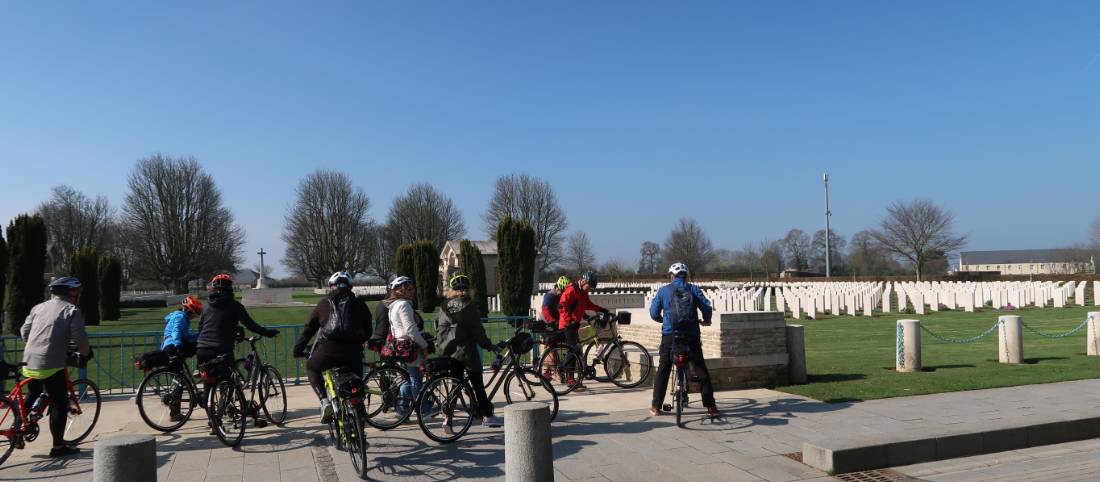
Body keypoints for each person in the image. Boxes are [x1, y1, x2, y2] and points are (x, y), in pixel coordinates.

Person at [196, 273, 279, 431]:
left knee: (208, 384)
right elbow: (251, 325)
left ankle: (212, 419)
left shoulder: (206, 306)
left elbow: (202, 327)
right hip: (222, 348)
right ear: (230, 288)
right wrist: (267, 333)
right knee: (230, 383)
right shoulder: (234, 305)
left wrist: (231, 329)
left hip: (202, 349)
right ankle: (220, 416)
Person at [19, 276, 91, 458]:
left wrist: (37, 345)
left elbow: (24, 332)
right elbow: (80, 338)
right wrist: (85, 353)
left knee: (33, 392)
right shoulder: (71, 310)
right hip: (51, 364)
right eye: (76, 291)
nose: (77, 295)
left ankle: (18, 428)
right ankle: (58, 448)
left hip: (29, 361)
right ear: (70, 293)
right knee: (59, 402)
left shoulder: (38, 307)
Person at [292, 271, 372, 423]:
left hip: (328, 351)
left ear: (331, 287)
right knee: (356, 384)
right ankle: (360, 411)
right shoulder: (360, 304)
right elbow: (368, 330)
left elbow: (309, 330)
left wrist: (298, 350)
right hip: (353, 352)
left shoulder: (323, 304)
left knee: (312, 367)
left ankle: (324, 401)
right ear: (351, 287)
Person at [649, 262, 718, 418]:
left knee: (664, 368)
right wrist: (706, 320)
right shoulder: (693, 289)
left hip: (670, 335)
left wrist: (663, 320)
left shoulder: (663, 291)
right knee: (700, 368)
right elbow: (707, 308)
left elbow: (653, 313)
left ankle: (655, 406)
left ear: (671, 276)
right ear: (686, 276)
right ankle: (710, 406)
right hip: (691, 335)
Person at [436, 274, 502, 428]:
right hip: (467, 351)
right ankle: (487, 416)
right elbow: (477, 331)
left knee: (456, 385)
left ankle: (448, 418)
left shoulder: (444, 306)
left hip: (450, 350)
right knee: (478, 384)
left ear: (452, 290)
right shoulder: (469, 306)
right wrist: (489, 346)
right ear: (468, 289)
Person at [384, 276, 430, 417]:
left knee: (407, 378)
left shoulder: (394, 305)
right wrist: (424, 345)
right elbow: (410, 330)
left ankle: (402, 408)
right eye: (409, 288)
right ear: (400, 290)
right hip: (410, 347)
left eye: (412, 288)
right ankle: (423, 409)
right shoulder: (404, 305)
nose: (413, 291)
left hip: (400, 346)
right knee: (416, 379)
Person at [557, 271, 609, 392]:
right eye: (589, 286)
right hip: (567, 324)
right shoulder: (571, 290)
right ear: (584, 281)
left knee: (577, 349)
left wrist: (602, 309)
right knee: (573, 349)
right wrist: (569, 320)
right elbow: (561, 306)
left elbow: (588, 304)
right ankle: (570, 380)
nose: (589, 289)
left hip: (574, 324)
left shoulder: (583, 292)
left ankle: (573, 378)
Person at [538, 276, 570, 379]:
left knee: (553, 346)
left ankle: (548, 371)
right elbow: (545, 311)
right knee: (551, 346)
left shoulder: (559, 296)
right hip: (545, 324)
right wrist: (553, 322)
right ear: (557, 287)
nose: (562, 293)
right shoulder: (550, 296)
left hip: (553, 324)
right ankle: (549, 370)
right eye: (561, 290)